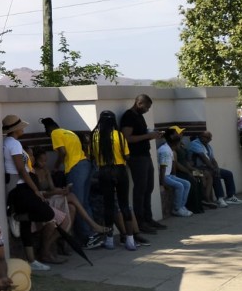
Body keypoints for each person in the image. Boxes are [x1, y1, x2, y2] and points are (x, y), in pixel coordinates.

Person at [2, 114, 66, 270]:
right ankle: (17, 216)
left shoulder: (6, 142)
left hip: (16, 186)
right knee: (47, 214)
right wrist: (35, 189)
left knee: (26, 225)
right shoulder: (15, 144)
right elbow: (21, 169)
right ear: (16, 129)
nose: (23, 128)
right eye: (21, 127)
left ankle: (31, 260)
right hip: (21, 186)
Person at [39, 117, 101, 249]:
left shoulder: (55, 133)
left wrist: (56, 166)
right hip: (86, 165)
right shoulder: (69, 132)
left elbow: (62, 152)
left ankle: (87, 237)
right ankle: (93, 235)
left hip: (75, 168)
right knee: (84, 202)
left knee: (76, 202)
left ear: (49, 129)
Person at [31, 146, 110, 242]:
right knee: (72, 197)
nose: (44, 163)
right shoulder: (32, 173)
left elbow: (52, 188)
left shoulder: (46, 170)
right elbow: (38, 194)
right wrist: (55, 192)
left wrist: (62, 190)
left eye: (45, 161)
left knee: (72, 206)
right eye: (41, 161)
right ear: (35, 160)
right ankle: (93, 225)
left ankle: (66, 238)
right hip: (42, 200)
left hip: (51, 196)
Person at [90, 110, 137, 251]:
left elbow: (92, 156)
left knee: (109, 206)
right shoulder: (119, 136)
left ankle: (109, 240)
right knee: (124, 205)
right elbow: (127, 156)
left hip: (104, 172)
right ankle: (130, 240)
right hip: (120, 170)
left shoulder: (95, 136)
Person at [119, 94, 166, 234]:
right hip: (136, 157)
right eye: (146, 107)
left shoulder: (139, 116)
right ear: (139, 103)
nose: (147, 110)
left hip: (145, 155)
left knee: (149, 187)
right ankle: (139, 223)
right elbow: (126, 138)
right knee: (140, 189)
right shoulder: (129, 116)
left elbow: (140, 133)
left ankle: (148, 218)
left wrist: (152, 134)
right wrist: (148, 136)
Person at [188, 131, 242, 207]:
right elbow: (204, 158)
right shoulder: (195, 143)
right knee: (214, 173)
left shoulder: (208, 146)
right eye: (205, 137)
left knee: (228, 173)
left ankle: (231, 196)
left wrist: (216, 167)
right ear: (200, 137)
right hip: (196, 169)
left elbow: (213, 159)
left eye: (208, 138)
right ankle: (220, 198)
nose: (208, 139)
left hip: (207, 168)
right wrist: (213, 168)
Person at [157, 127, 192, 217]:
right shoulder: (165, 150)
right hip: (164, 176)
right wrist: (163, 182)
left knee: (187, 183)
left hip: (170, 175)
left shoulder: (171, 150)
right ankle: (176, 209)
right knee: (180, 185)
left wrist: (174, 176)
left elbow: (173, 165)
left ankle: (181, 206)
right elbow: (163, 166)